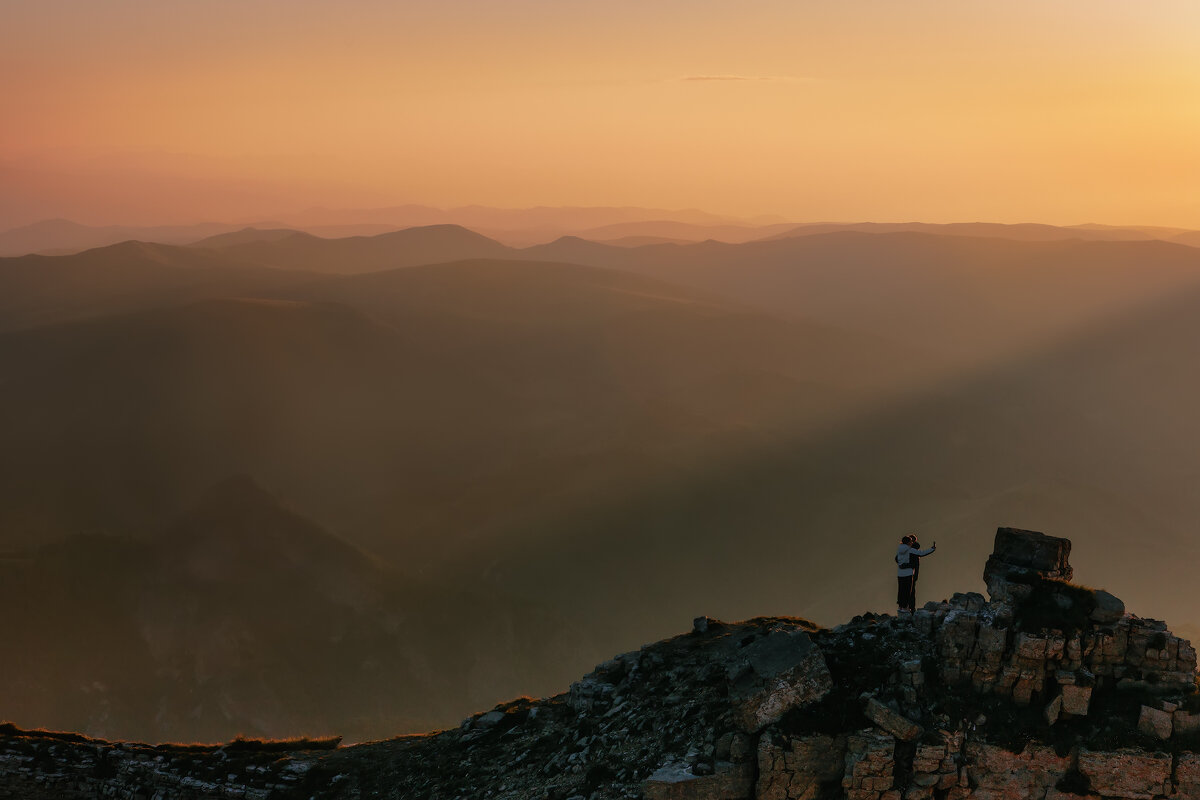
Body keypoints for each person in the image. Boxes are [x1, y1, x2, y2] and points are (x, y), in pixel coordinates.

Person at [895, 534, 936, 614]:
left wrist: (902, 564)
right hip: (908, 574)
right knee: (908, 591)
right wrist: (932, 549)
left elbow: (897, 559)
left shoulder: (899, 549)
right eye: (911, 541)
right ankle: (906, 608)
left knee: (901, 590)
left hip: (900, 574)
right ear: (908, 542)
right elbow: (922, 553)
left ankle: (900, 607)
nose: (911, 542)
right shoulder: (910, 549)